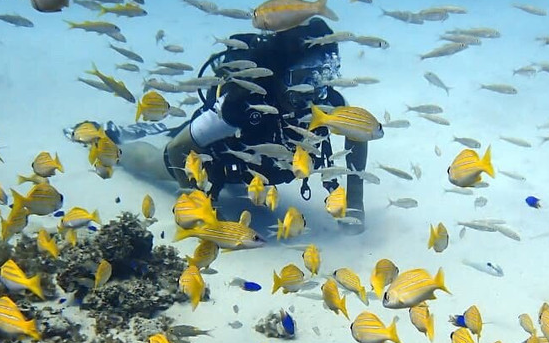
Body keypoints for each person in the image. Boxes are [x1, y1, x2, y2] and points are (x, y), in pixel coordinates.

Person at [97, 18, 369, 227]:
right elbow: (178, 150)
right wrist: (199, 205)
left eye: (325, 73)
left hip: (260, 171)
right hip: (217, 161)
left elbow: (358, 135)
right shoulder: (241, 103)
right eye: (305, 77)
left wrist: (355, 203)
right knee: (154, 162)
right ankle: (110, 143)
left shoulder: (329, 103)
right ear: (280, 75)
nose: (314, 88)